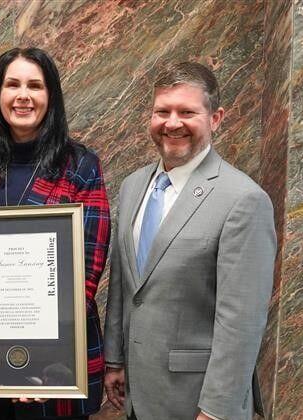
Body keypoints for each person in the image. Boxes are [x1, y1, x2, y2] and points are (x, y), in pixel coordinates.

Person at [103, 62, 276, 420]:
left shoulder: (243, 199)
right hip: (138, 394)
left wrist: (216, 410)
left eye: (187, 112)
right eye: (162, 111)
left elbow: (241, 321)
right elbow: (124, 284)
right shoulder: (133, 186)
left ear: (215, 118)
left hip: (197, 402)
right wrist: (114, 360)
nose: (172, 122)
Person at [0, 47, 111, 419]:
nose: (23, 95)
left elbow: (87, 272)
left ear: (50, 97)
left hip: (61, 361)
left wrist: (40, 365)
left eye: (35, 86)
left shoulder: (81, 165)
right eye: (12, 84)